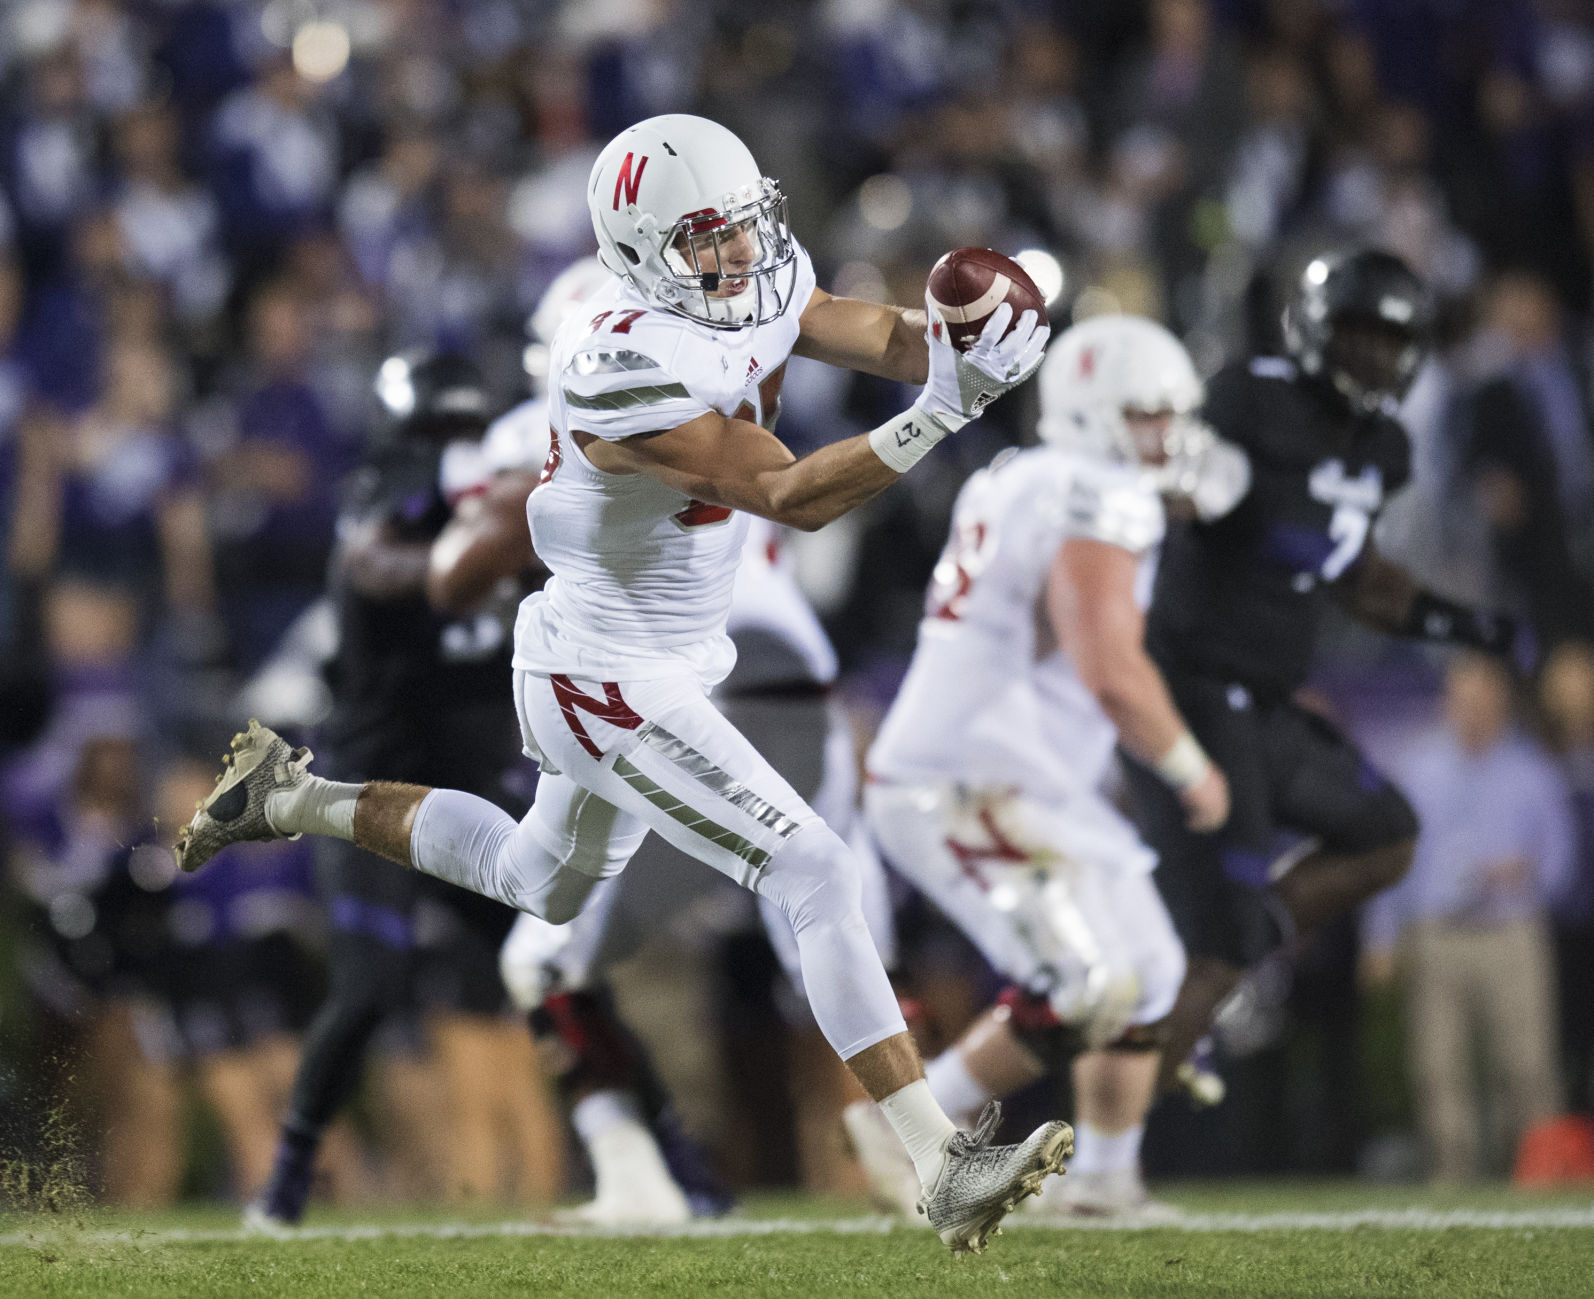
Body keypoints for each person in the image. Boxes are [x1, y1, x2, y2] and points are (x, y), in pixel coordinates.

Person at [177, 113, 1064, 1253]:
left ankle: (290, 800)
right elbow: (789, 493)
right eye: (708, 237)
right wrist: (947, 408)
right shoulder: (619, 360)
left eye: (747, 226)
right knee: (813, 867)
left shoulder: (750, 276)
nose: (741, 256)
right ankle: (935, 1159)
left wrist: (961, 343)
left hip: (663, 655)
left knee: (534, 881)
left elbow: (880, 336)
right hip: (606, 672)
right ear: (640, 247)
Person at [857, 314, 1246, 1220]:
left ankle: (1106, 1180)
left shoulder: (1025, 478)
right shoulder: (1087, 487)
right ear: (1095, 414)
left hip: (1017, 777)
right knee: (1083, 983)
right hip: (961, 778)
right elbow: (1110, 664)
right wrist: (1190, 767)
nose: (1166, 435)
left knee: (1147, 967)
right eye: (1149, 414)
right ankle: (912, 1123)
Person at [1121, 248, 1518, 1093]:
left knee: (1387, 833)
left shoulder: (1384, 447)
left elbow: (1358, 577)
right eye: (1360, 333)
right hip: (1191, 688)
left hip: (1261, 703)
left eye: (1392, 340)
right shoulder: (1248, 396)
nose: (1375, 355)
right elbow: (1191, 491)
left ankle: (1243, 940)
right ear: (1314, 330)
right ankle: (1101, 1153)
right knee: (1215, 949)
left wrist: (1463, 622)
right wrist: (1187, 484)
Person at [246, 349, 539, 1231]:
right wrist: (468, 558)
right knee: (371, 986)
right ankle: (287, 1179)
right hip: (376, 792)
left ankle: (662, 1158)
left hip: (476, 793)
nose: (450, 447)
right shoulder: (396, 504)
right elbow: (377, 562)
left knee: (561, 966)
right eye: (438, 431)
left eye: (461, 431)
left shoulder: (518, 502)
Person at [1362, 654, 1574, 1181]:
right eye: (1461, 697)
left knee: (1526, 1062)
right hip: (1437, 932)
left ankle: (1534, 1172)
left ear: (1502, 703)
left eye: (1482, 697)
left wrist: (1526, 874)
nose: (1471, 708)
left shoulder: (1532, 770)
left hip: (1510, 931)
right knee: (1436, 1064)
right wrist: (1382, 935)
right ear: (1447, 703)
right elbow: (1391, 854)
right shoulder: (1420, 766)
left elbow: (1563, 860)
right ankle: (1451, 1177)